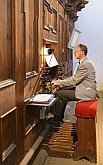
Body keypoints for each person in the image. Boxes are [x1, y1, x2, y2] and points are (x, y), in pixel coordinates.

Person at [47, 43, 99, 125]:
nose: (74, 53)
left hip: (86, 92)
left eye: (76, 51)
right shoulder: (84, 62)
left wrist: (59, 82)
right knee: (62, 91)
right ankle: (59, 117)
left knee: (59, 94)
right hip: (83, 88)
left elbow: (75, 80)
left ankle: (57, 118)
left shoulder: (85, 64)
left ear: (82, 52)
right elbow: (75, 78)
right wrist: (61, 82)